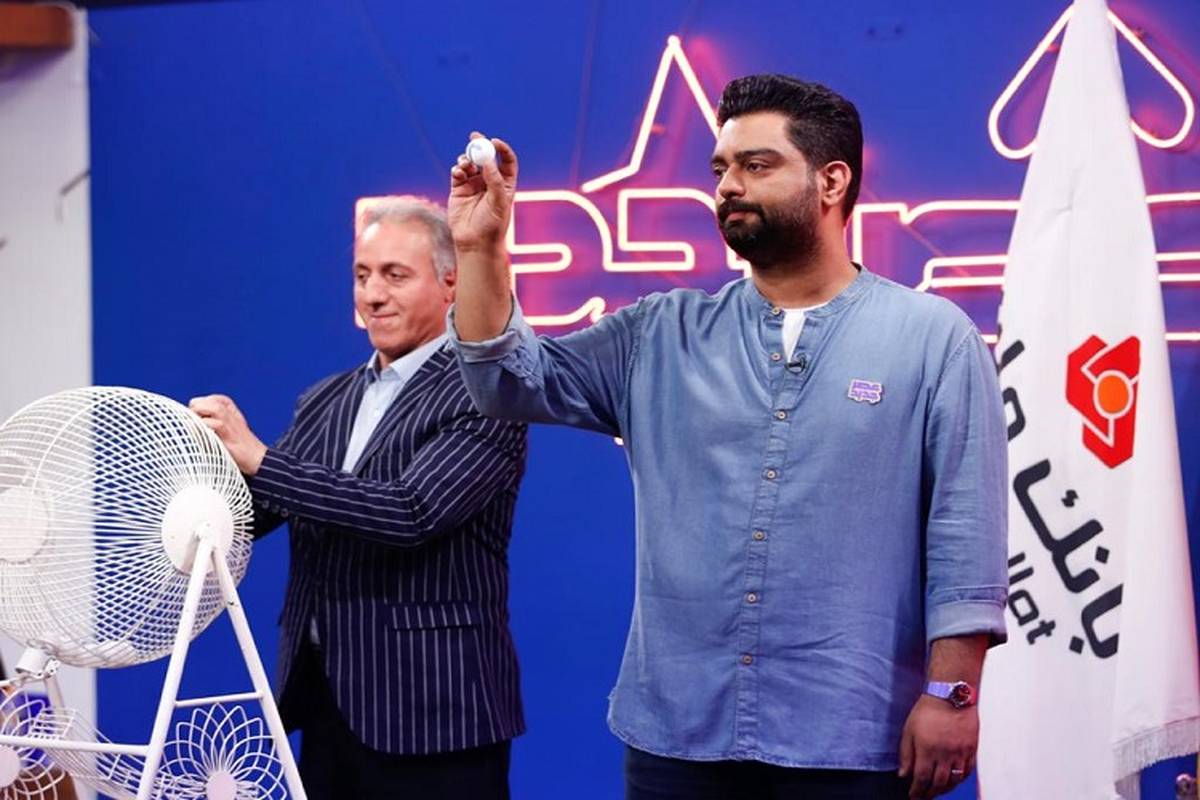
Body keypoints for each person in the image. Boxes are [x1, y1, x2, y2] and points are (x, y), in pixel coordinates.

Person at [445, 75, 1008, 800]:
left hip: (852, 738)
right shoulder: (660, 332)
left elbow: (965, 535)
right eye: (720, 169)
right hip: (677, 739)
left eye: (757, 165)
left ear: (832, 181)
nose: (729, 186)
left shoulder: (934, 338)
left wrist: (952, 696)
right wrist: (481, 247)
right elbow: (507, 382)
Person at [190, 196, 527, 800]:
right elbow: (262, 506)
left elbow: (410, 511)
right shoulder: (325, 398)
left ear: (451, 283)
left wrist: (259, 457)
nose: (372, 294)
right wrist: (198, 474)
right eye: (362, 275)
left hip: (438, 712)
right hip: (328, 703)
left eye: (395, 275)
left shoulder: (485, 393)